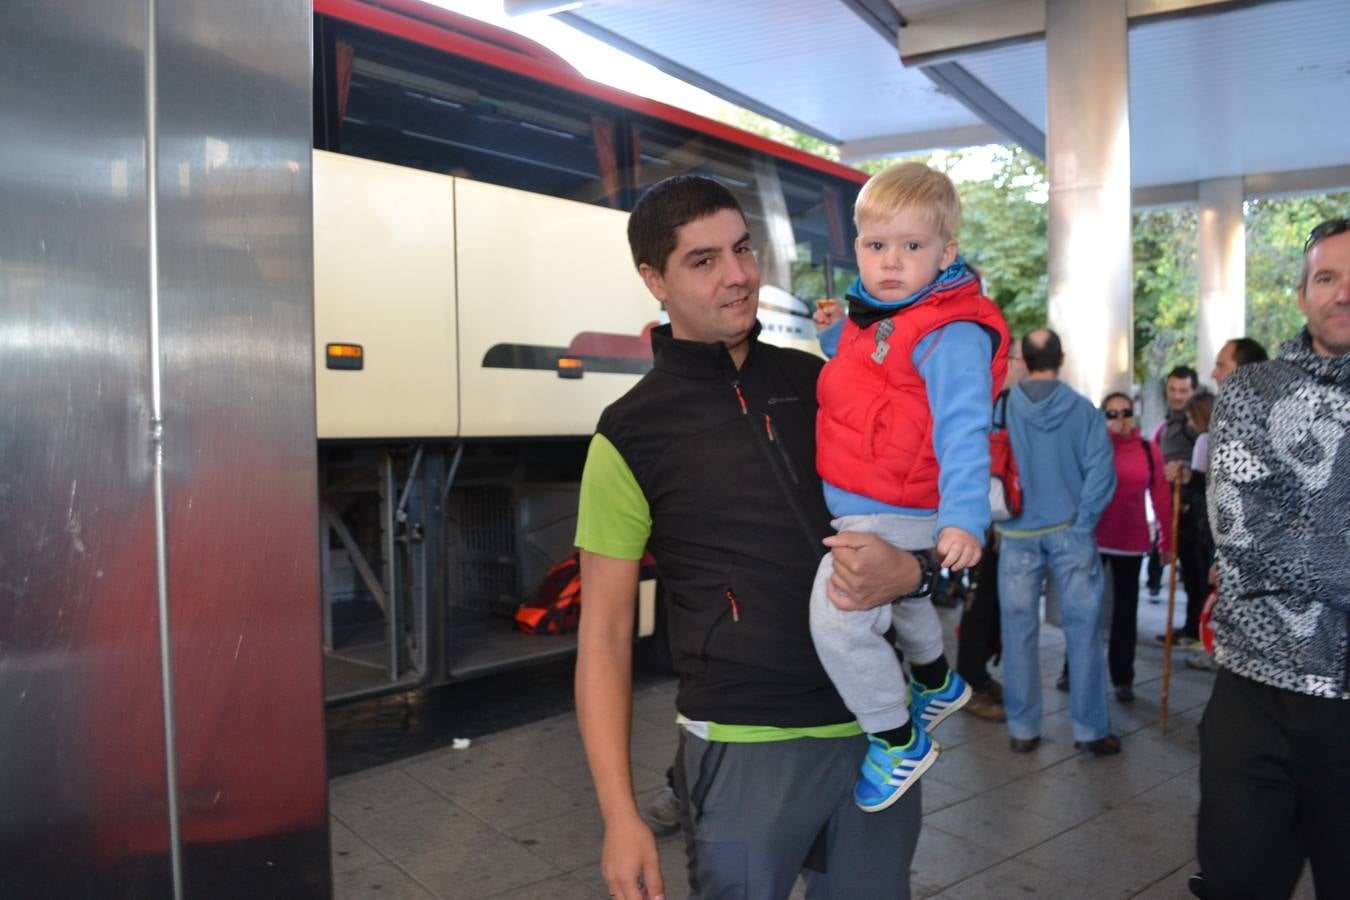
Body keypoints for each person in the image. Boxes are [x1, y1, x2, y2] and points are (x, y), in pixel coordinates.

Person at [574, 174, 926, 900]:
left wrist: (914, 572)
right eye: (703, 261)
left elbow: (905, 518)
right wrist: (619, 815)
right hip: (742, 747)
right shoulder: (628, 433)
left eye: (742, 249)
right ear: (654, 279)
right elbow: (605, 633)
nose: (738, 276)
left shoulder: (823, 382)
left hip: (875, 734)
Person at [807, 161, 1009, 810]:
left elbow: (963, 429)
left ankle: (897, 739)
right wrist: (834, 332)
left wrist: (963, 519)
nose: (890, 262)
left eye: (911, 246)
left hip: (891, 506)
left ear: (947, 251)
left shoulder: (952, 333)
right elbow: (877, 376)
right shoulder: (891, 316)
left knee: (839, 620)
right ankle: (937, 681)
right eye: (875, 245)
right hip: (872, 499)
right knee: (903, 602)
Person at [1194, 217, 1350, 899]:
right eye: (1327, 277)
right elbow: (1245, 531)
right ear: (1301, 294)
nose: (1343, 293)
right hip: (1257, 698)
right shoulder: (1253, 391)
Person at [995, 329, 1119, 755]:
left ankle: (1023, 729)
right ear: (1061, 358)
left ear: (1024, 361)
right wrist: (1081, 524)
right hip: (1072, 533)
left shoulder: (1002, 407)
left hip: (1015, 534)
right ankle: (1090, 732)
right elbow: (1102, 474)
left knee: (1017, 633)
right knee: (1084, 633)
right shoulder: (1084, 411)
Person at [956, 339, 1029, 723]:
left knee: (991, 601)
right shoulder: (991, 401)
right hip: (985, 519)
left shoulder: (1005, 400)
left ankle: (977, 674)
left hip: (994, 518)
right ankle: (969, 680)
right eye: (1022, 360)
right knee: (981, 601)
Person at [1092, 392, 1172, 703]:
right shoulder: (1094, 448)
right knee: (1087, 608)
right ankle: (1074, 669)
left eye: (1124, 412)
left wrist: (1166, 540)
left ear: (1133, 414)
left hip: (1130, 541)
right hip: (1095, 540)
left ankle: (1123, 677)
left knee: (1125, 613)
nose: (1119, 420)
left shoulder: (1147, 449)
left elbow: (1161, 498)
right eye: (1111, 414)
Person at [1152, 365, 1207, 649]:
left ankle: (1195, 629)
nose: (1177, 395)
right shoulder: (1170, 421)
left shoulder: (1196, 423)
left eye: (1183, 390)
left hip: (1191, 509)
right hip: (1172, 506)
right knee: (1188, 572)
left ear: (1194, 390)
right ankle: (1189, 626)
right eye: (1172, 389)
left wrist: (1186, 485)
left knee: (1196, 573)